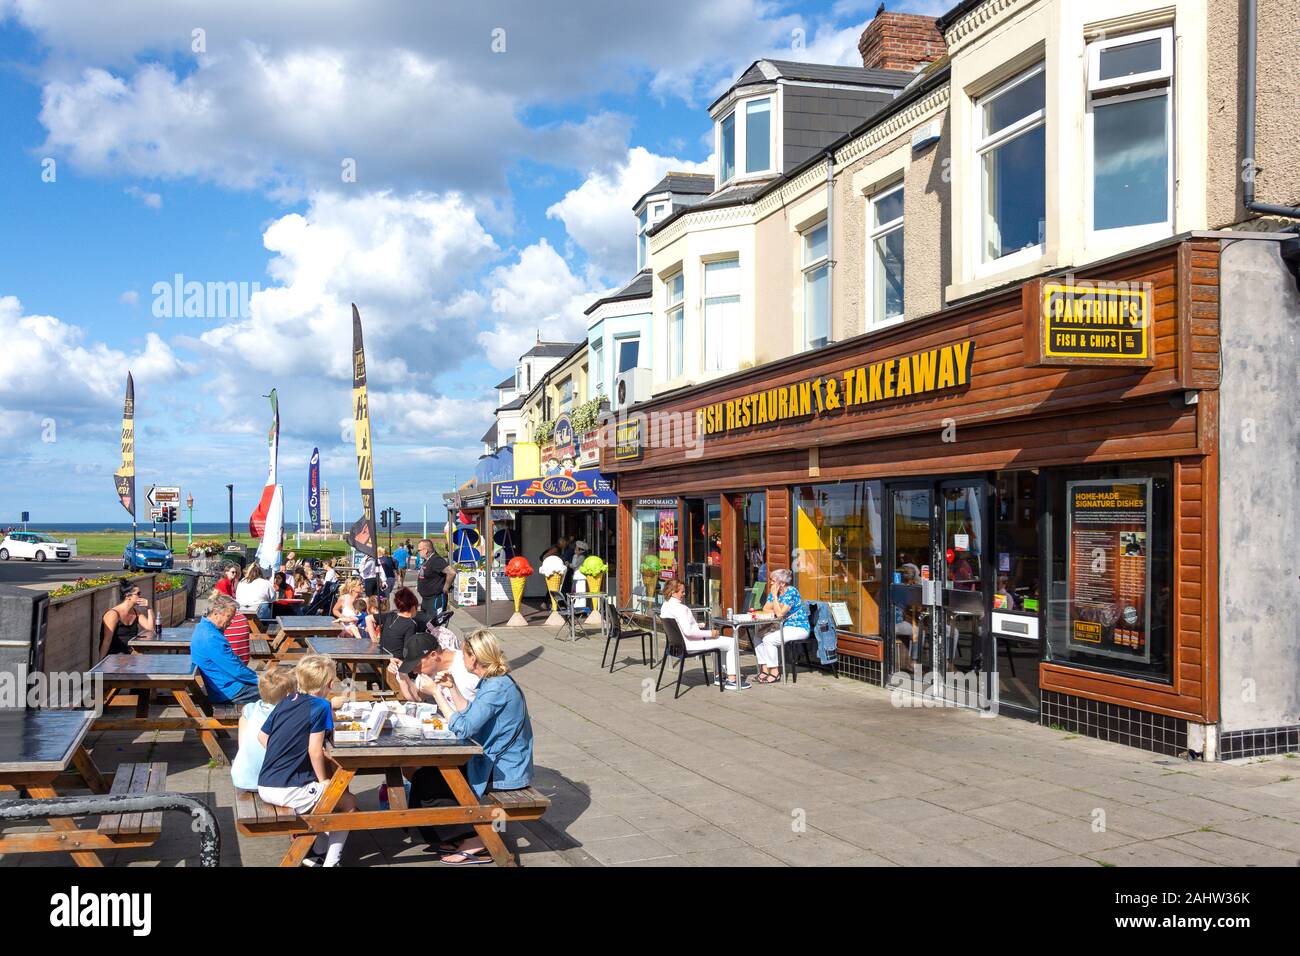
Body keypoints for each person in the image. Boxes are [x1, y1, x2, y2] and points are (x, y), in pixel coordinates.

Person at [405, 630, 531, 864]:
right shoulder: (493, 682)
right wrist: (451, 687)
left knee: (432, 782)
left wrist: (436, 693)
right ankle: (461, 834)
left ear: (474, 657)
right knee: (426, 778)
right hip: (495, 760)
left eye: (464, 655)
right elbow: (469, 715)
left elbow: (463, 728)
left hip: (503, 769)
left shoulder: (495, 688)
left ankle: (479, 838)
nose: (462, 660)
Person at [257, 655, 357, 867]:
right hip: (287, 789)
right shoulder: (320, 706)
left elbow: (262, 737)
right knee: (346, 801)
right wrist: (323, 780)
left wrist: (285, 753)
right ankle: (332, 862)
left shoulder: (287, 699)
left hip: (265, 783)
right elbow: (315, 750)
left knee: (323, 804)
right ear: (329, 684)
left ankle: (318, 851)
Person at [659, 578, 747, 690]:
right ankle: (732, 680)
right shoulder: (681, 608)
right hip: (691, 645)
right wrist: (710, 633)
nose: (684, 594)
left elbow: (678, 626)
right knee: (731, 642)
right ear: (673, 592)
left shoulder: (665, 606)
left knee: (720, 644)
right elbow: (688, 632)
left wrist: (697, 625)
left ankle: (720, 676)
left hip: (677, 646)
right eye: (682, 592)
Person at [231, 663, 296, 791]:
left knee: (243, 719)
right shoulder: (288, 715)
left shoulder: (250, 708)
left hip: (242, 777)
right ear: (289, 694)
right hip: (271, 783)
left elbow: (245, 710)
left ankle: (245, 755)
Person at [191, 594, 261, 704]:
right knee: (281, 690)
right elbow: (236, 670)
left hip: (226, 686)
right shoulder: (211, 638)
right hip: (231, 691)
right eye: (229, 617)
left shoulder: (203, 628)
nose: (231, 622)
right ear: (215, 613)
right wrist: (261, 680)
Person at [389, 627, 480, 705]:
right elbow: (417, 697)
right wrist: (402, 676)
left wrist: (435, 692)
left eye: (417, 666)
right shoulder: (430, 670)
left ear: (433, 655)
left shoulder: (468, 667)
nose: (415, 671)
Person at [753, 568, 810, 684]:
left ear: (782, 583)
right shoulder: (775, 592)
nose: (771, 583)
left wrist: (774, 598)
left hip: (798, 627)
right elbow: (766, 608)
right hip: (783, 626)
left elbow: (779, 614)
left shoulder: (791, 591)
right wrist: (776, 602)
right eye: (771, 580)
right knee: (758, 637)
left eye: (773, 581)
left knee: (769, 640)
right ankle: (764, 670)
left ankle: (774, 673)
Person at [99, 582, 156, 658]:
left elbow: (150, 628)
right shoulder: (113, 614)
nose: (140, 596)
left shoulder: (136, 613)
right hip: (115, 654)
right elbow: (107, 640)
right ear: (128, 596)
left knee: (147, 661)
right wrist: (101, 662)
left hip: (131, 653)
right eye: (138, 593)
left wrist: (149, 608)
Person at [377, 586, 428, 657]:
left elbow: (368, 618)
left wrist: (375, 642)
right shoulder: (411, 624)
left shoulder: (390, 615)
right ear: (413, 607)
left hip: (382, 655)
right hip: (397, 659)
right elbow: (407, 650)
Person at [415, 538, 454, 618]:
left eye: (419, 550)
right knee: (426, 624)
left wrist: (446, 587)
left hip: (435, 599)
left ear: (425, 550)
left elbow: (451, 572)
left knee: (435, 625)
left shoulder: (436, 560)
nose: (418, 552)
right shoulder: (427, 560)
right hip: (427, 599)